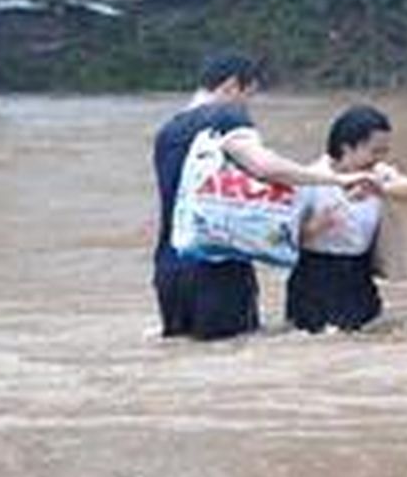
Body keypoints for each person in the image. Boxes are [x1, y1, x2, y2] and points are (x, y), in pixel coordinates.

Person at [152, 53, 373, 340]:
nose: (248, 106)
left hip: (168, 271)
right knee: (232, 359)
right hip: (218, 269)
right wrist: (337, 179)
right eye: (248, 96)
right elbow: (265, 167)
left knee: (185, 357)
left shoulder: (167, 132)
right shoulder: (227, 117)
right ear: (232, 86)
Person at [287, 105, 407, 333]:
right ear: (347, 147)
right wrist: (317, 226)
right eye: (375, 151)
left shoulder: (377, 173)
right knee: (317, 343)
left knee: (369, 338)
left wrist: (379, 189)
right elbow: (282, 240)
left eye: (384, 151)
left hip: (359, 274)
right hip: (315, 275)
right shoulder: (310, 179)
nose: (380, 158)